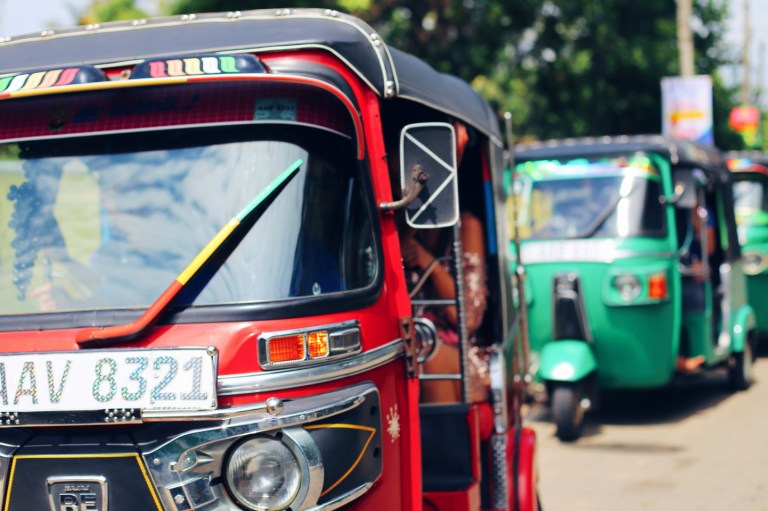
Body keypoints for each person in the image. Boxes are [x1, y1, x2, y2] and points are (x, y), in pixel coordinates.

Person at [397, 121, 490, 403]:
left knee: (429, 360)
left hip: (455, 352)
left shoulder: (466, 227)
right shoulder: (397, 223)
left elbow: (468, 319)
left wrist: (426, 262)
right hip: (406, 343)